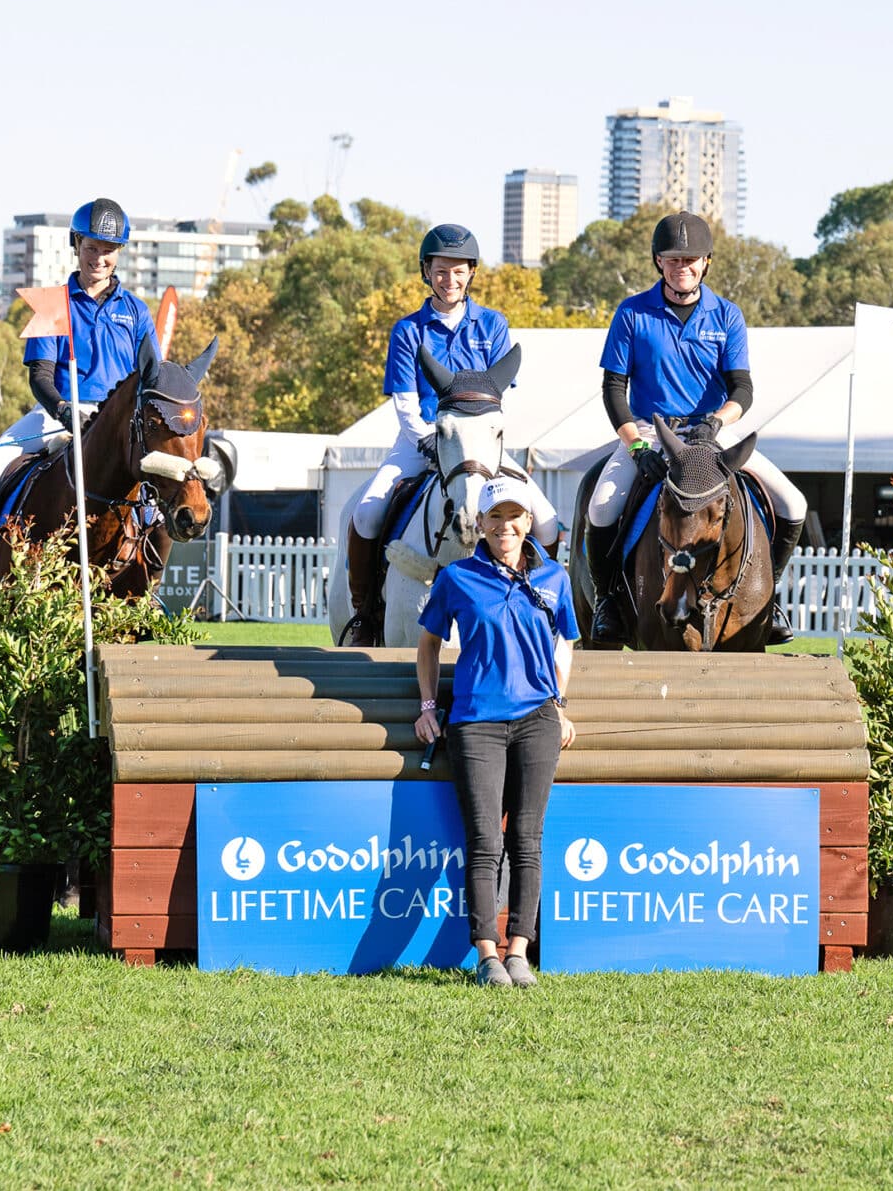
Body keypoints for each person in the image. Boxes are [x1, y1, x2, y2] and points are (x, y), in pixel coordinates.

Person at [583, 212, 809, 646]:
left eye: (691, 259)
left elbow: (742, 387)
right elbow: (614, 389)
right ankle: (609, 599)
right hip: (652, 433)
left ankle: (770, 596)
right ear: (658, 262)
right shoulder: (632, 313)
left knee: (793, 503)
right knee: (601, 508)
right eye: (672, 259)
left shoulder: (726, 315)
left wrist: (715, 422)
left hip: (712, 434)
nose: (681, 267)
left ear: (706, 262)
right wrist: (635, 448)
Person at [0, 198, 157, 605]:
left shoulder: (136, 311)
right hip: (60, 413)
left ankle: (146, 585)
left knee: (163, 497)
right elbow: (41, 377)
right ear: (75, 244)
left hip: (119, 425)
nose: (99, 258)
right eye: (91, 247)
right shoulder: (53, 303)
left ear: (118, 253)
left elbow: (151, 377)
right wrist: (66, 412)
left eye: (108, 250)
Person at [343, 224, 560, 644]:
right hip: (420, 441)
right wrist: (426, 438)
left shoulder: (493, 326)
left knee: (548, 523)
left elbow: (498, 401)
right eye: (441, 270)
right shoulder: (408, 330)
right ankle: (365, 612)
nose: (450, 279)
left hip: (477, 447)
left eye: (458, 271)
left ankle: (542, 607)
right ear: (427, 272)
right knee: (366, 515)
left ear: (471, 273)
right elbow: (405, 399)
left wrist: (477, 442)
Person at [414, 476, 576, 988]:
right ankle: (487, 955)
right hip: (476, 723)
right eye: (494, 517)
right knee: (485, 841)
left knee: (527, 840)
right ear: (479, 524)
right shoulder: (457, 578)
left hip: (537, 722)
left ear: (529, 522)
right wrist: (426, 706)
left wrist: (560, 702)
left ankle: (519, 953)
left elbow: (566, 642)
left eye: (514, 516)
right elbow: (428, 645)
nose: (505, 526)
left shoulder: (554, 578)